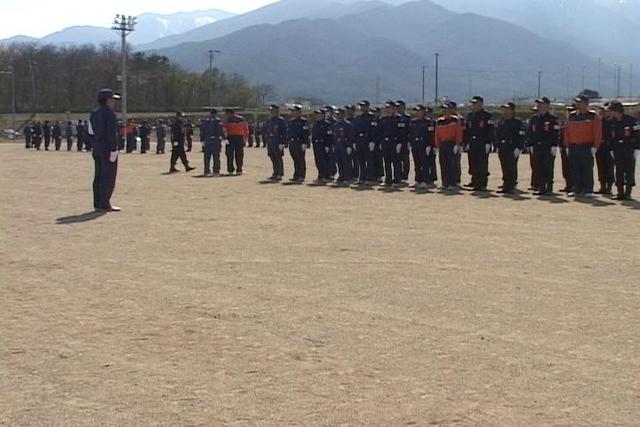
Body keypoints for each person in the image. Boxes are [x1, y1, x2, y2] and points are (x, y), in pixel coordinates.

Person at [563, 95, 602, 197]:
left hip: (587, 146)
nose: (578, 105)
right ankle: (577, 189)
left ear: (586, 104)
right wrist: (567, 145)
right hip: (574, 146)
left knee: (587, 168)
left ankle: (588, 189)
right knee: (574, 168)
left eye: (580, 103)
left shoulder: (593, 116)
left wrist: (595, 147)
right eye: (577, 103)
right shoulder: (571, 116)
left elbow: (597, 133)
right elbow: (567, 131)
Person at [89, 89, 121, 212]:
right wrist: (114, 149)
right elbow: (111, 134)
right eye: (112, 99)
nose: (114, 102)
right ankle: (104, 203)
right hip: (107, 148)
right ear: (107, 100)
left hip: (97, 147)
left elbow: (90, 132)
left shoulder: (94, 113)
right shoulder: (110, 114)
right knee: (108, 177)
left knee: (98, 176)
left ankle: (97, 202)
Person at [606, 101, 639, 200]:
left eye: (611, 110)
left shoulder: (631, 120)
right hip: (617, 149)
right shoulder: (611, 122)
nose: (610, 113)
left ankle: (628, 193)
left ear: (617, 111)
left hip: (629, 148)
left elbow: (638, 135)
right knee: (619, 171)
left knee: (629, 170)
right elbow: (610, 137)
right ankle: (620, 192)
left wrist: (637, 148)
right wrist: (611, 149)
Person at [527, 97, 560, 195]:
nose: (539, 106)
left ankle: (549, 188)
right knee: (538, 167)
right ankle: (541, 187)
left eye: (542, 104)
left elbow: (555, 133)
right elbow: (530, 133)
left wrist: (554, 145)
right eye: (539, 104)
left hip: (548, 146)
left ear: (547, 106)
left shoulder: (552, 119)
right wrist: (530, 144)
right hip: (537, 146)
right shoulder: (534, 119)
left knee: (548, 167)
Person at [464, 96, 494, 191]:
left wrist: (488, 142)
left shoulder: (487, 115)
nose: (474, 105)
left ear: (481, 104)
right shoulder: (470, 115)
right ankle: (474, 181)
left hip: (482, 142)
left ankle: (482, 184)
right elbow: (467, 130)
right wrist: (466, 142)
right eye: (473, 103)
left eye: (476, 103)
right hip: (472, 142)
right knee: (472, 163)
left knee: (482, 163)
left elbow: (490, 130)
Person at [495, 102, 525, 194]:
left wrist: (519, 147)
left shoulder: (517, 122)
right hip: (503, 147)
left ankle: (511, 185)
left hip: (512, 147)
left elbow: (521, 135)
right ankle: (506, 183)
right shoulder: (501, 122)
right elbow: (497, 134)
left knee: (511, 167)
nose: (505, 111)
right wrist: (497, 146)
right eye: (504, 109)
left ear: (512, 110)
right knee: (504, 166)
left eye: (507, 109)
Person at [435, 101, 464, 192]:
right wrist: (437, 145)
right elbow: (437, 134)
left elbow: (459, 132)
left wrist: (457, 144)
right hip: (443, 144)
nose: (445, 110)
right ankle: (445, 183)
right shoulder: (439, 120)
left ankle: (452, 183)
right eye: (444, 109)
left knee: (452, 164)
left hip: (452, 143)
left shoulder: (456, 119)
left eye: (447, 108)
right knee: (443, 163)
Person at [409, 104, 436, 189]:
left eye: (419, 111)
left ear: (423, 112)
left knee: (425, 164)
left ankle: (425, 180)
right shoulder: (413, 121)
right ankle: (418, 180)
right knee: (417, 164)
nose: (417, 113)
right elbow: (411, 133)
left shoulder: (429, 122)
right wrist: (410, 143)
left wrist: (430, 145)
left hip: (424, 145)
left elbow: (431, 134)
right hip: (415, 144)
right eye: (416, 111)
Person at [351, 100, 376, 185]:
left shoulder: (371, 117)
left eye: (364, 106)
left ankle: (369, 178)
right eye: (361, 106)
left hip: (367, 140)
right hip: (359, 140)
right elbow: (354, 130)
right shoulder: (358, 118)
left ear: (368, 107)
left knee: (369, 160)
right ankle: (362, 177)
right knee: (360, 160)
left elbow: (373, 130)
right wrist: (354, 141)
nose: (362, 108)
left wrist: (372, 141)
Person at [379, 101, 402, 186]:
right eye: (387, 108)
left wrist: (399, 143)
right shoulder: (383, 119)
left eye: (389, 108)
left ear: (394, 108)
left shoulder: (398, 118)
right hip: (385, 142)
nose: (388, 109)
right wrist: (381, 142)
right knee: (387, 162)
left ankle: (397, 179)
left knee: (396, 162)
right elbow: (380, 132)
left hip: (394, 142)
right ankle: (388, 179)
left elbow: (401, 132)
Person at [286, 105, 311, 183]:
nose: (292, 113)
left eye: (294, 111)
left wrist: (305, 143)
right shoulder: (291, 121)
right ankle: (296, 175)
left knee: (300, 160)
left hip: (299, 142)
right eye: (292, 111)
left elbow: (306, 133)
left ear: (299, 112)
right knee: (295, 160)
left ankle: (301, 176)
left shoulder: (303, 121)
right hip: (292, 142)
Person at [264, 105, 287, 180]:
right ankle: (275, 172)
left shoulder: (281, 120)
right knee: (272, 157)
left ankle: (280, 173)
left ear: (277, 111)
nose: (271, 112)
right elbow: (267, 130)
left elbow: (284, 132)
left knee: (278, 157)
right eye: (270, 111)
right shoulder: (269, 120)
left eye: (272, 110)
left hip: (277, 141)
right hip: (270, 140)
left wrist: (282, 142)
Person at [332, 108, 355, 185]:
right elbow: (334, 136)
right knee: (339, 162)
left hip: (345, 145)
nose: (338, 116)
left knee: (346, 162)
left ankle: (348, 177)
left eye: (339, 114)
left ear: (343, 115)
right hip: (338, 145)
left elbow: (351, 136)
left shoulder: (348, 124)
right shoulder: (335, 125)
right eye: (336, 114)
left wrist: (349, 145)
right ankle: (341, 176)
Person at [596, 106, 615, 194]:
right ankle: (602, 186)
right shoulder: (598, 122)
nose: (602, 113)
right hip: (600, 147)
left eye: (604, 111)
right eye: (600, 112)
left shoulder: (612, 122)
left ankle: (609, 187)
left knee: (609, 167)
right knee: (601, 167)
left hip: (609, 147)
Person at [223, 108, 249, 175]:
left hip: (230, 137)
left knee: (229, 154)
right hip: (239, 137)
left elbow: (224, 129)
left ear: (229, 113)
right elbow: (245, 128)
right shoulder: (241, 118)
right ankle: (239, 170)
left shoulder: (227, 120)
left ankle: (230, 170)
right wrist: (245, 138)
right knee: (239, 154)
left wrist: (225, 138)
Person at [311, 108, 333, 183]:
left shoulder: (327, 124)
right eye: (317, 115)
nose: (317, 116)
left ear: (323, 115)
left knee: (324, 161)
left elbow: (330, 136)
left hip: (323, 144)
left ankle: (326, 176)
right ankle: (320, 175)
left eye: (319, 114)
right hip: (316, 145)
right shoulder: (315, 124)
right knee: (318, 161)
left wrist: (328, 145)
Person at [201, 109, 225, 176]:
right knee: (216, 156)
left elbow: (202, 131)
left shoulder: (205, 121)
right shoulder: (218, 120)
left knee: (207, 156)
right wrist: (224, 138)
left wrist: (202, 140)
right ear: (216, 113)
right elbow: (220, 130)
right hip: (215, 140)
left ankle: (206, 171)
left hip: (207, 140)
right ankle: (216, 171)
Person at [396, 100, 412, 182]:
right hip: (396, 142)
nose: (398, 109)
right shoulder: (394, 118)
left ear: (404, 108)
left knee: (405, 160)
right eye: (397, 107)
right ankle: (398, 176)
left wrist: (409, 141)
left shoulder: (407, 118)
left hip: (405, 141)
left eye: (400, 107)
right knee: (397, 160)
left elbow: (410, 130)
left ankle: (405, 177)